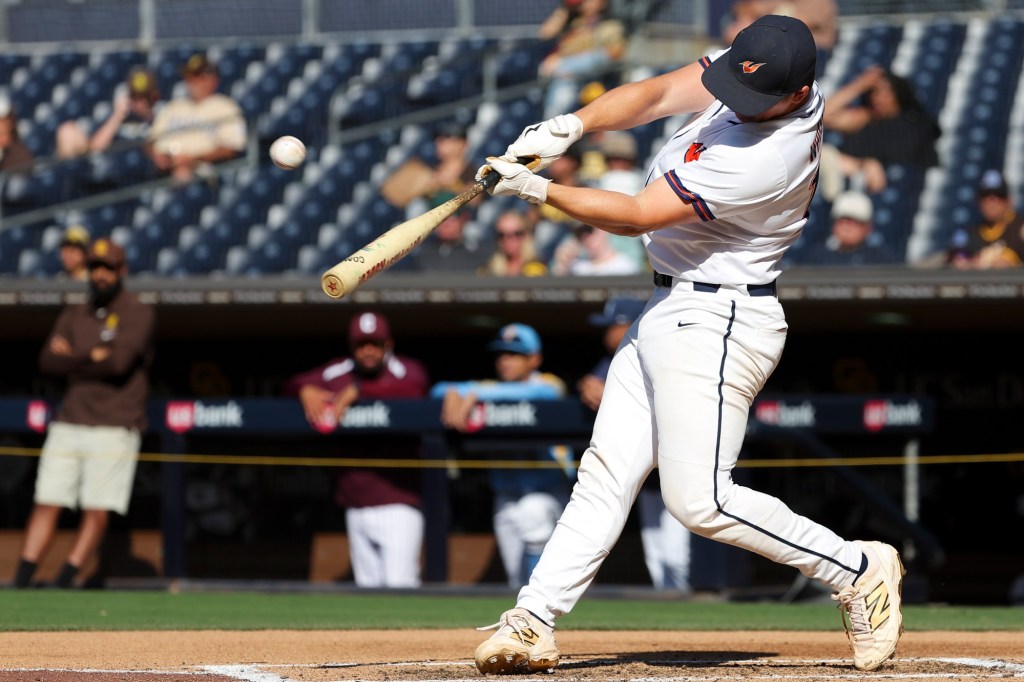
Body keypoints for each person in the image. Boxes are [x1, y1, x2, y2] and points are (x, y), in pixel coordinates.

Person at [472, 15, 905, 674]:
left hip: (721, 319)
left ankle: (857, 567)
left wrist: (539, 189)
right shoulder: (753, 69)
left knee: (699, 500)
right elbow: (653, 96)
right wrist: (574, 125)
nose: (736, 100)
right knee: (606, 473)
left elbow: (639, 214)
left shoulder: (774, 154)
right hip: (668, 306)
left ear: (798, 91)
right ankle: (533, 618)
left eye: (758, 96)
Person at [14, 238, 154, 589]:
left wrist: (72, 358)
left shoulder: (137, 310)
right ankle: (21, 582)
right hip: (70, 420)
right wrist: (92, 356)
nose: (101, 275)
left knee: (96, 507)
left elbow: (119, 364)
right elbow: (47, 362)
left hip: (115, 423)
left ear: (122, 271)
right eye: (95, 268)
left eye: (108, 268)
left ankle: (65, 581)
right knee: (47, 500)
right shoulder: (75, 312)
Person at [281, 311, 430, 588]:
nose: (368, 351)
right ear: (352, 347)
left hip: (399, 502)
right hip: (355, 502)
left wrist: (360, 391)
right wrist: (306, 391)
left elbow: (416, 390)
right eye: (362, 344)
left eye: (375, 343)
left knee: (401, 586)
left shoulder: (406, 370)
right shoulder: (339, 371)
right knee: (367, 592)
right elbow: (291, 384)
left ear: (388, 344)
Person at [430, 323, 573, 588]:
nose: (505, 361)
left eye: (514, 354)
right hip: (506, 497)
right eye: (501, 354)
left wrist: (470, 393)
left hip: (548, 493)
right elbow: (437, 390)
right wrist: (452, 392)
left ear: (534, 359)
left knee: (534, 520)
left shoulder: (548, 383)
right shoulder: (491, 388)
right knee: (516, 582)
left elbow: (539, 394)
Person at [580, 297, 692, 592]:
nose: (606, 333)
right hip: (649, 475)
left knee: (677, 555)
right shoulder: (615, 357)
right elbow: (594, 381)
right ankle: (670, 618)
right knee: (656, 555)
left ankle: (693, 611)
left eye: (611, 326)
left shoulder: (661, 348)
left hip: (677, 466)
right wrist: (587, 383)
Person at [823, 65, 940, 194]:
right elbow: (826, 115)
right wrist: (860, 84)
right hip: (852, 183)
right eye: (874, 92)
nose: (878, 98)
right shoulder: (864, 117)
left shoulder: (914, 126)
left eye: (885, 92)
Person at [147, 53, 247, 184]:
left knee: (185, 177)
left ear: (211, 79)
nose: (191, 82)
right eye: (188, 77)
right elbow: (151, 140)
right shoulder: (173, 106)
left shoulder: (226, 107)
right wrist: (156, 156)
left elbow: (231, 149)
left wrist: (193, 158)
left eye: (196, 76)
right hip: (166, 168)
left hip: (203, 171)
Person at [537, 0, 628, 119]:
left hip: (598, 77)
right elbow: (544, 34)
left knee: (563, 82)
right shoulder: (574, 22)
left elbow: (614, 54)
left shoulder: (610, 26)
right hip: (567, 79)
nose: (586, 2)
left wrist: (564, 64)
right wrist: (566, 8)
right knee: (562, 90)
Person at [55, 66, 161, 161]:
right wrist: (117, 116)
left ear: (154, 97)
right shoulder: (119, 119)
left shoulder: (160, 117)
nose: (140, 103)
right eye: (134, 97)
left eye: (144, 97)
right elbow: (95, 149)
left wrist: (148, 117)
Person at [380, 122, 475, 209]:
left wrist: (451, 186)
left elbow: (475, 201)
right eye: (438, 138)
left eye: (447, 137)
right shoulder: (427, 171)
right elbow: (389, 193)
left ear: (463, 143)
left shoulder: (473, 172)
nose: (439, 142)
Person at [802, 190, 899, 265]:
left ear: (868, 228)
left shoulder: (882, 259)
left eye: (854, 222)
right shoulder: (818, 258)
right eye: (842, 221)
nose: (847, 227)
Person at [953, 169, 1024, 269]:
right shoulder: (970, 235)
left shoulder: (1019, 229)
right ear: (978, 200)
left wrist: (1012, 263)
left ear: (1009, 200)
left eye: (999, 195)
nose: (991, 202)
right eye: (985, 196)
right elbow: (956, 262)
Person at [408, 190, 489, 272]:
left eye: (451, 216)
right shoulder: (422, 254)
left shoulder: (478, 253)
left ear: (464, 217)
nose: (445, 223)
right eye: (439, 217)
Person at [549, 221, 642, 275]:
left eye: (588, 230)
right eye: (579, 233)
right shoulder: (576, 266)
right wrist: (561, 265)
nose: (585, 237)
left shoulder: (624, 265)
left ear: (603, 229)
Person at [478, 210, 549, 277]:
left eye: (516, 234)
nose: (507, 239)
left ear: (526, 235)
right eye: (501, 235)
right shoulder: (490, 270)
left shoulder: (537, 269)